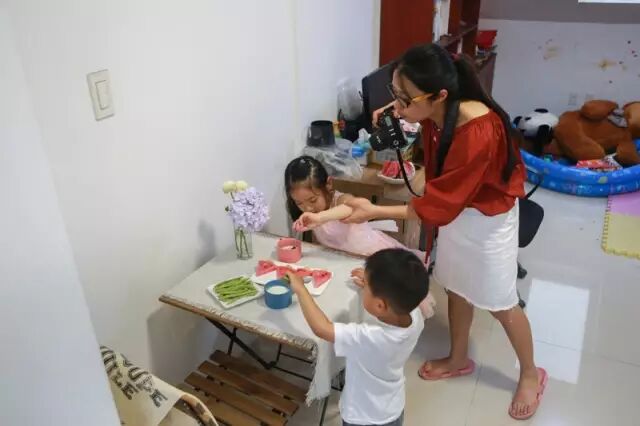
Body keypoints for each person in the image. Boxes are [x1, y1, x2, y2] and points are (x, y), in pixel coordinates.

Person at [341, 43, 547, 421]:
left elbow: (438, 205)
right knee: (456, 285)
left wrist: (373, 210)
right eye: (395, 94)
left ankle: (531, 374)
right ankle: (457, 357)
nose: (398, 105)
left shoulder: (478, 131)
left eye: (405, 99)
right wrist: (399, 112)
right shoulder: (438, 111)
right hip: (459, 214)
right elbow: (442, 194)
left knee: (501, 303)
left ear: (438, 95)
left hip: (487, 221)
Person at [285, 248, 428, 426]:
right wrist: (373, 285)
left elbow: (322, 328)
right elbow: (397, 292)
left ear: (380, 305)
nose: (364, 286)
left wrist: (301, 289)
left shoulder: (370, 338)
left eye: (367, 286)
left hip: (362, 416)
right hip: (392, 409)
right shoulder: (415, 316)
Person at [284, 155, 435, 318]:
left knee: (391, 299)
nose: (307, 208)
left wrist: (320, 217)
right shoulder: (312, 212)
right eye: (299, 203)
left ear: (328, 184)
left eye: (312, 200)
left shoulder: (339, 200)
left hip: (371, 253)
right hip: (345, 260)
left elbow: (349, 208)